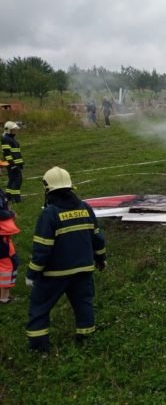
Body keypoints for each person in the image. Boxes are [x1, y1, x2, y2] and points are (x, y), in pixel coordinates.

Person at [25, 167, 106, 353]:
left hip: (54, 274)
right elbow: (97, 238)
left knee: (39, 307)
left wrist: (32, 273)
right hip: (84, 270)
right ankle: (86, 336)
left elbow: (41, 249)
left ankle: (38, 347)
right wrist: (101, 258)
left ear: (48, 190)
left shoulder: (49, 214)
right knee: (83, 303)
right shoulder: (85, 208)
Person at [0, 187, 20, 304]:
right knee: (7, 265)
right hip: (1, 237)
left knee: (11, 261)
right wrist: (10, 213)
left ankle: (6, 295)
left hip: (4, 236)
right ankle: (4, 297)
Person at [2, 121, 24, 202]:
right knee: (17, 180)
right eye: (13, 130)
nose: (15, 131)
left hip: (15, 163)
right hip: (12, 164)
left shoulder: (11, 138)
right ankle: (16, 198)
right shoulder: (6, 139)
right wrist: (13, 164)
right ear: (9, 130)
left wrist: (20, 163)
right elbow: (7, 154)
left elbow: (17, 153)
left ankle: (8, 197)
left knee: (12, 180)